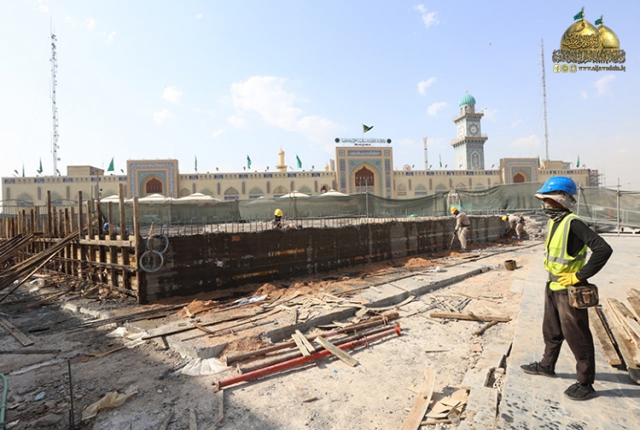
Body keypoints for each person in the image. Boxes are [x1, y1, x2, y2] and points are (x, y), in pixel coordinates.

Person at [520, 176, 612, 401]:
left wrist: (578, 276)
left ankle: (585, 383)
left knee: (578, 336)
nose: (545, 204)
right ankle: (547, 365)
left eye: (547, 200)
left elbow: (603, 249)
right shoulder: (555, 221)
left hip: (569, 290)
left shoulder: (573, 223)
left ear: (560, 199)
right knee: (551, 330)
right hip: (552, 285)